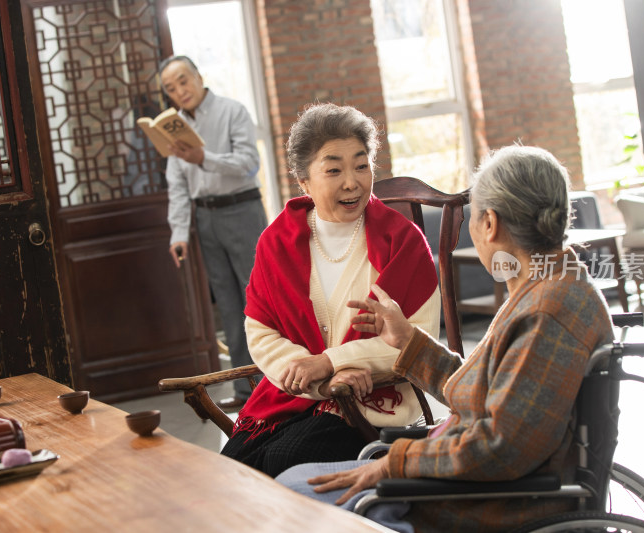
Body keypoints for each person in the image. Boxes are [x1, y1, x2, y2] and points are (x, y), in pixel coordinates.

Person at [276, 145, 615, 532]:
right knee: (294, 483)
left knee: (295, 498)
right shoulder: (547, 288)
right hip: (463, 477)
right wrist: (408, 340)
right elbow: (483, 393)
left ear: (488, 223)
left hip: (479, 502)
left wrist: (396, 463)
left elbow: (501, 447)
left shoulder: (548, 311)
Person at [220, 103, 442, 477]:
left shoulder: (402, 241)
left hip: (373, 402)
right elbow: (261, 331)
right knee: (232, 471)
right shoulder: (277, 241)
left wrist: (330, 361)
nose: (352, 181)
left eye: (361, 164)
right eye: (334, 170)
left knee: (283, 460)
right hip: (293, 396)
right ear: (304, 181)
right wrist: (320, 382)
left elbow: (419, 339)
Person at [159, 55, 268, 411]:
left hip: (242, 210)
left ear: (199, 76)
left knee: (258, 299)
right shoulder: (173, 127)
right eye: (171, 88)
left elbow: (249, 163)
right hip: (205, 220)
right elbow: (176, 184)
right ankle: (243, 391)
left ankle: (275, 384)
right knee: (229, 303)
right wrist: (178, 233)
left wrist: (203, 158)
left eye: (183, 80)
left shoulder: (232, 111)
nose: (180, 91)